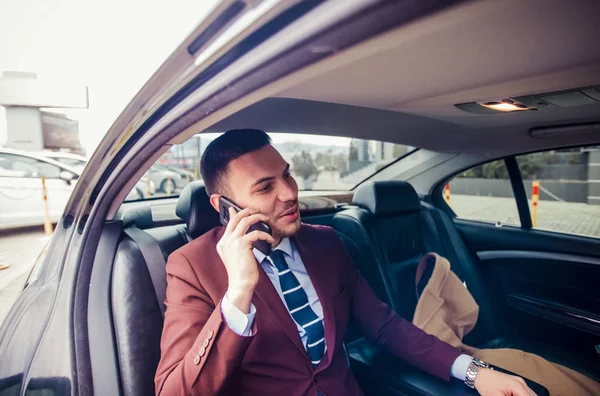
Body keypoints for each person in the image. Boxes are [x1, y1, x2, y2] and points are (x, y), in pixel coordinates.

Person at [155, 129, 536, 396]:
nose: (290, 193)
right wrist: (238, 293)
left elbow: (386, 327)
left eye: (287, 174)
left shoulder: (325, 242)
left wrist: (474, 373)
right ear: (224, 207)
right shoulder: (191, 266)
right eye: (265, 187)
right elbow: (175, 390)